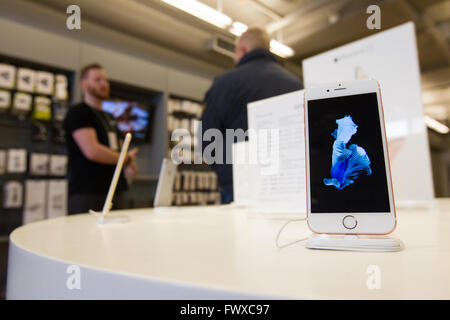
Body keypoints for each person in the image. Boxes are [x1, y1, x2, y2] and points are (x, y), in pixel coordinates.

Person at [201, 27, 303, 204]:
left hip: (240, 186)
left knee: (241, 230)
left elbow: (207, 138)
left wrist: (226, 172)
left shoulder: (224, 83)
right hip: (289, 184)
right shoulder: (296, 84)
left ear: (242, 50)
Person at [63, 63, 138, 215]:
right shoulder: (79, 112)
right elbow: (92, 151)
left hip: (115, 192)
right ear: (84, 84)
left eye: (105, 80)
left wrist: (130, 163)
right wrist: (126, 159)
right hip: (88, 193)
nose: (104, 84)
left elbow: (122, 148)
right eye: (97, 80)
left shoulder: (110, 117)